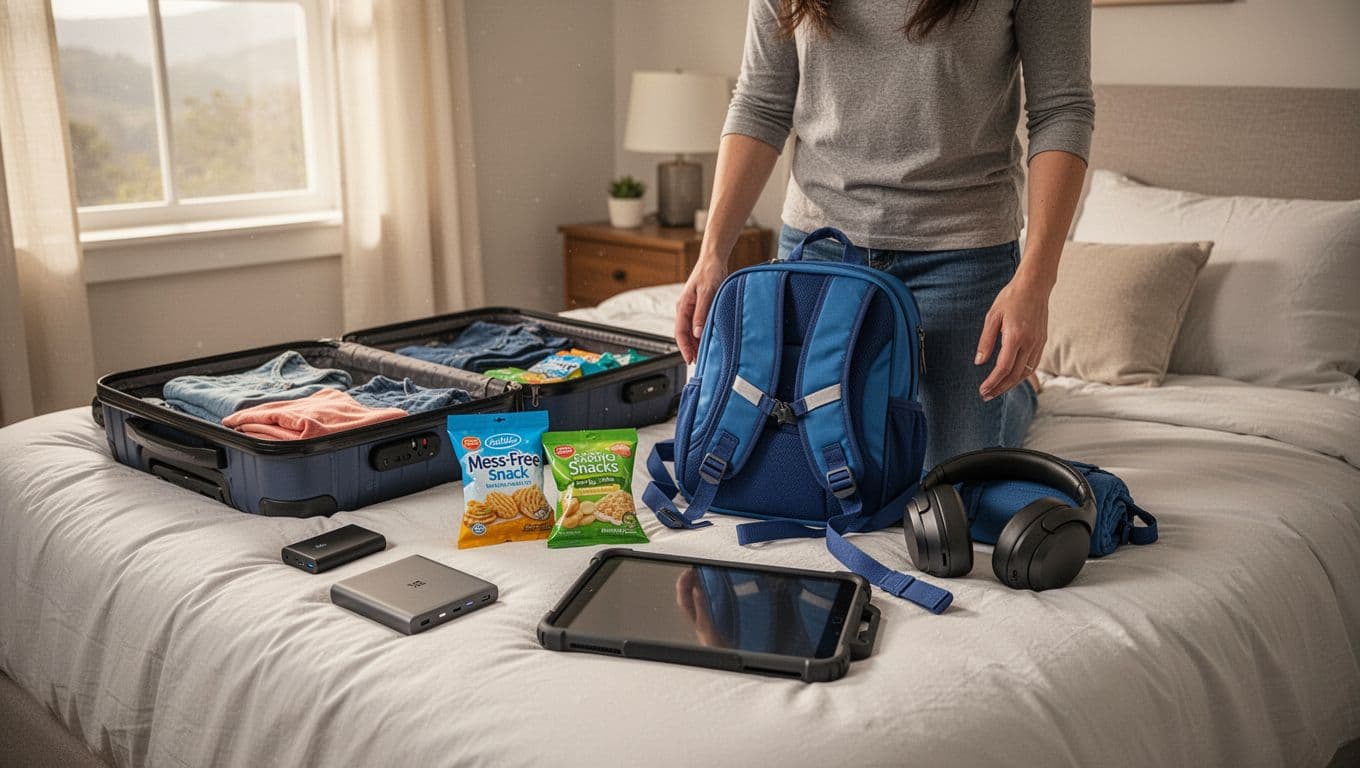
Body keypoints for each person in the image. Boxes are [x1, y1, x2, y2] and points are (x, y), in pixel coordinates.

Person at [675, 0, 1094, 469]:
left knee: (943, 481)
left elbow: (1062, 109)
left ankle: (1019, 398)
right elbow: (761, 103)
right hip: (821, 248)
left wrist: (1037, 279)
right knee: (818, 466)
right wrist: (713, 253)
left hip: (962, 255)